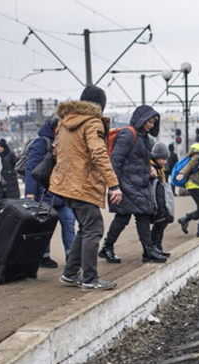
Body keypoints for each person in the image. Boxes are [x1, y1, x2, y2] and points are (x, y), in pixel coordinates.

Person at [50, 85, 123, 291]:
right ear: (100, 105)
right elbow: (98, 154)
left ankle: (70, 273)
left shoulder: (63, 123)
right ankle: (90, 279)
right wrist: (114, 184)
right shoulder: (92, 122)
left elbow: (58, 153)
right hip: (82, 183)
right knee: (94, 228)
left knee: (85, 227)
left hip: (66, 184)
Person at [99, 105, 166, 264]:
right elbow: (115, 160)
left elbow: (136, 159)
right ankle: (147, 250)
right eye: (149, 122)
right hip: (127, 184)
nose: (151, 125)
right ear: (141, 119)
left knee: (127, 216)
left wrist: (148, 167)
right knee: (138, 215)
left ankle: (109, 247)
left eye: (153, 123)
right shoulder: (129, 133)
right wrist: (114, 186)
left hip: (137, 183)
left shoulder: (142, 136)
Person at [25, 116, 76, 268]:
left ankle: (71, 256)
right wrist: (30, 192)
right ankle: (44, 256)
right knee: (45, 225)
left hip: (62, 193)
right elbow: (31, 167)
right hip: (44, 193)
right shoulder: (41, 143)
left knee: (69, 221)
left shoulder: (65, 143)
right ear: (55, 128)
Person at [149, 141, 174, 256]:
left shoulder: (159, 169)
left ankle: (158, 245)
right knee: (160, 222)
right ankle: (154, 245)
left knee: (164, 221)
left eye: (165, 159)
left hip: (161, 201)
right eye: (162, 159)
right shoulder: (151, 169)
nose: (165, 161)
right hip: (155, 202)